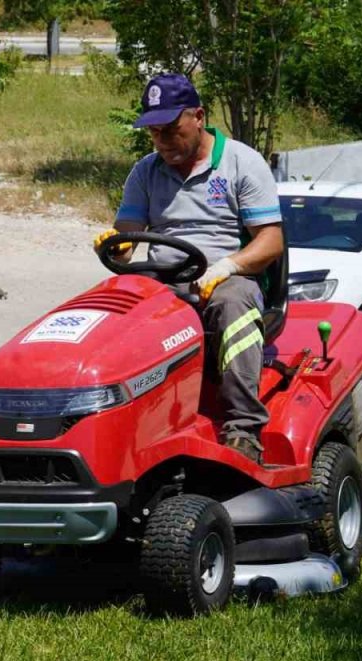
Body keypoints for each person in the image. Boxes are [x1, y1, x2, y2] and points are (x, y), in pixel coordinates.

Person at [95, 74, 285, 464]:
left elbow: (271, 241)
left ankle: (244, 428)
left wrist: (226, 267)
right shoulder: (145, 172)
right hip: (164, 281)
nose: (162, 141)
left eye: (170, 129)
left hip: (228, 280)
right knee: (109, 309)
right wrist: (119, 245)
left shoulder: (241, 163)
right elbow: (128, 237)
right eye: (154, 132)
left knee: (233, 304)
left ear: (198, 117)